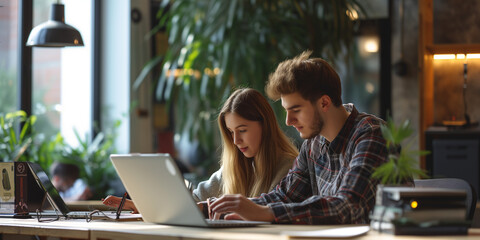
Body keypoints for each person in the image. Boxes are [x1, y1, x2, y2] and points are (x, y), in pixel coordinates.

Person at [207, 51, 396, 224]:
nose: (288, 121)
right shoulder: (312, 144)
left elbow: (347, 207)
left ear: (324, 103)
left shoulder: (372, 134)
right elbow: (284, 196)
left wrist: (265, 213)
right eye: (286, 111)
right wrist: (217, 207)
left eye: (295, 110)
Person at [102, 88, 299, 213]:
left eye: (242, 130)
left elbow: (274, 210)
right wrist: (147, 206)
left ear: (265, 125)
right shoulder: (234, 167)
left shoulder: (290, 166)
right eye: (231, 132)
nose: (236, 140)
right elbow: (192, 202)